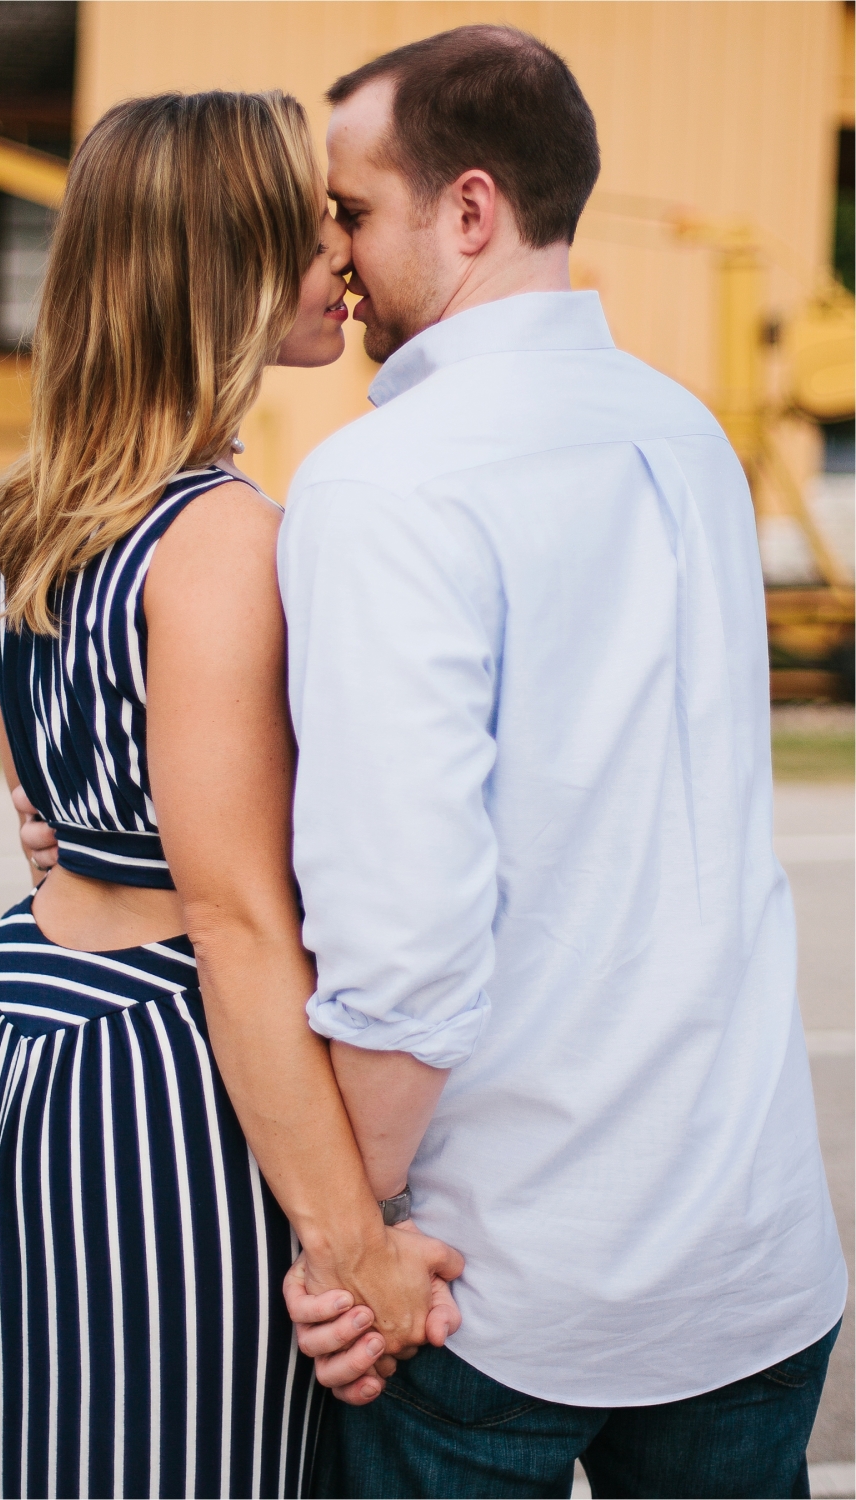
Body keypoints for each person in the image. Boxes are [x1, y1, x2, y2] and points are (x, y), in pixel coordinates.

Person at [271, 26, 847, 1500]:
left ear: (468, 212)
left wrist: (357, 1234)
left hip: (497, 1284)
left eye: (349, 209)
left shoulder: (384, 485)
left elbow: (407, 929)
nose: (328, 249)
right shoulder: (687, 434)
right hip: (749, 1248)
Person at [0, 90, 463, 1500]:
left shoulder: (47, 511)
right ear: (233, 256)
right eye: (316, 218)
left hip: (11, 1029)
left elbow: (49, 821)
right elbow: (235, 918)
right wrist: (357, 1248)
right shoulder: (223, 538)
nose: (343, 250)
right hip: (150, 1072)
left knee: (13, 1450)